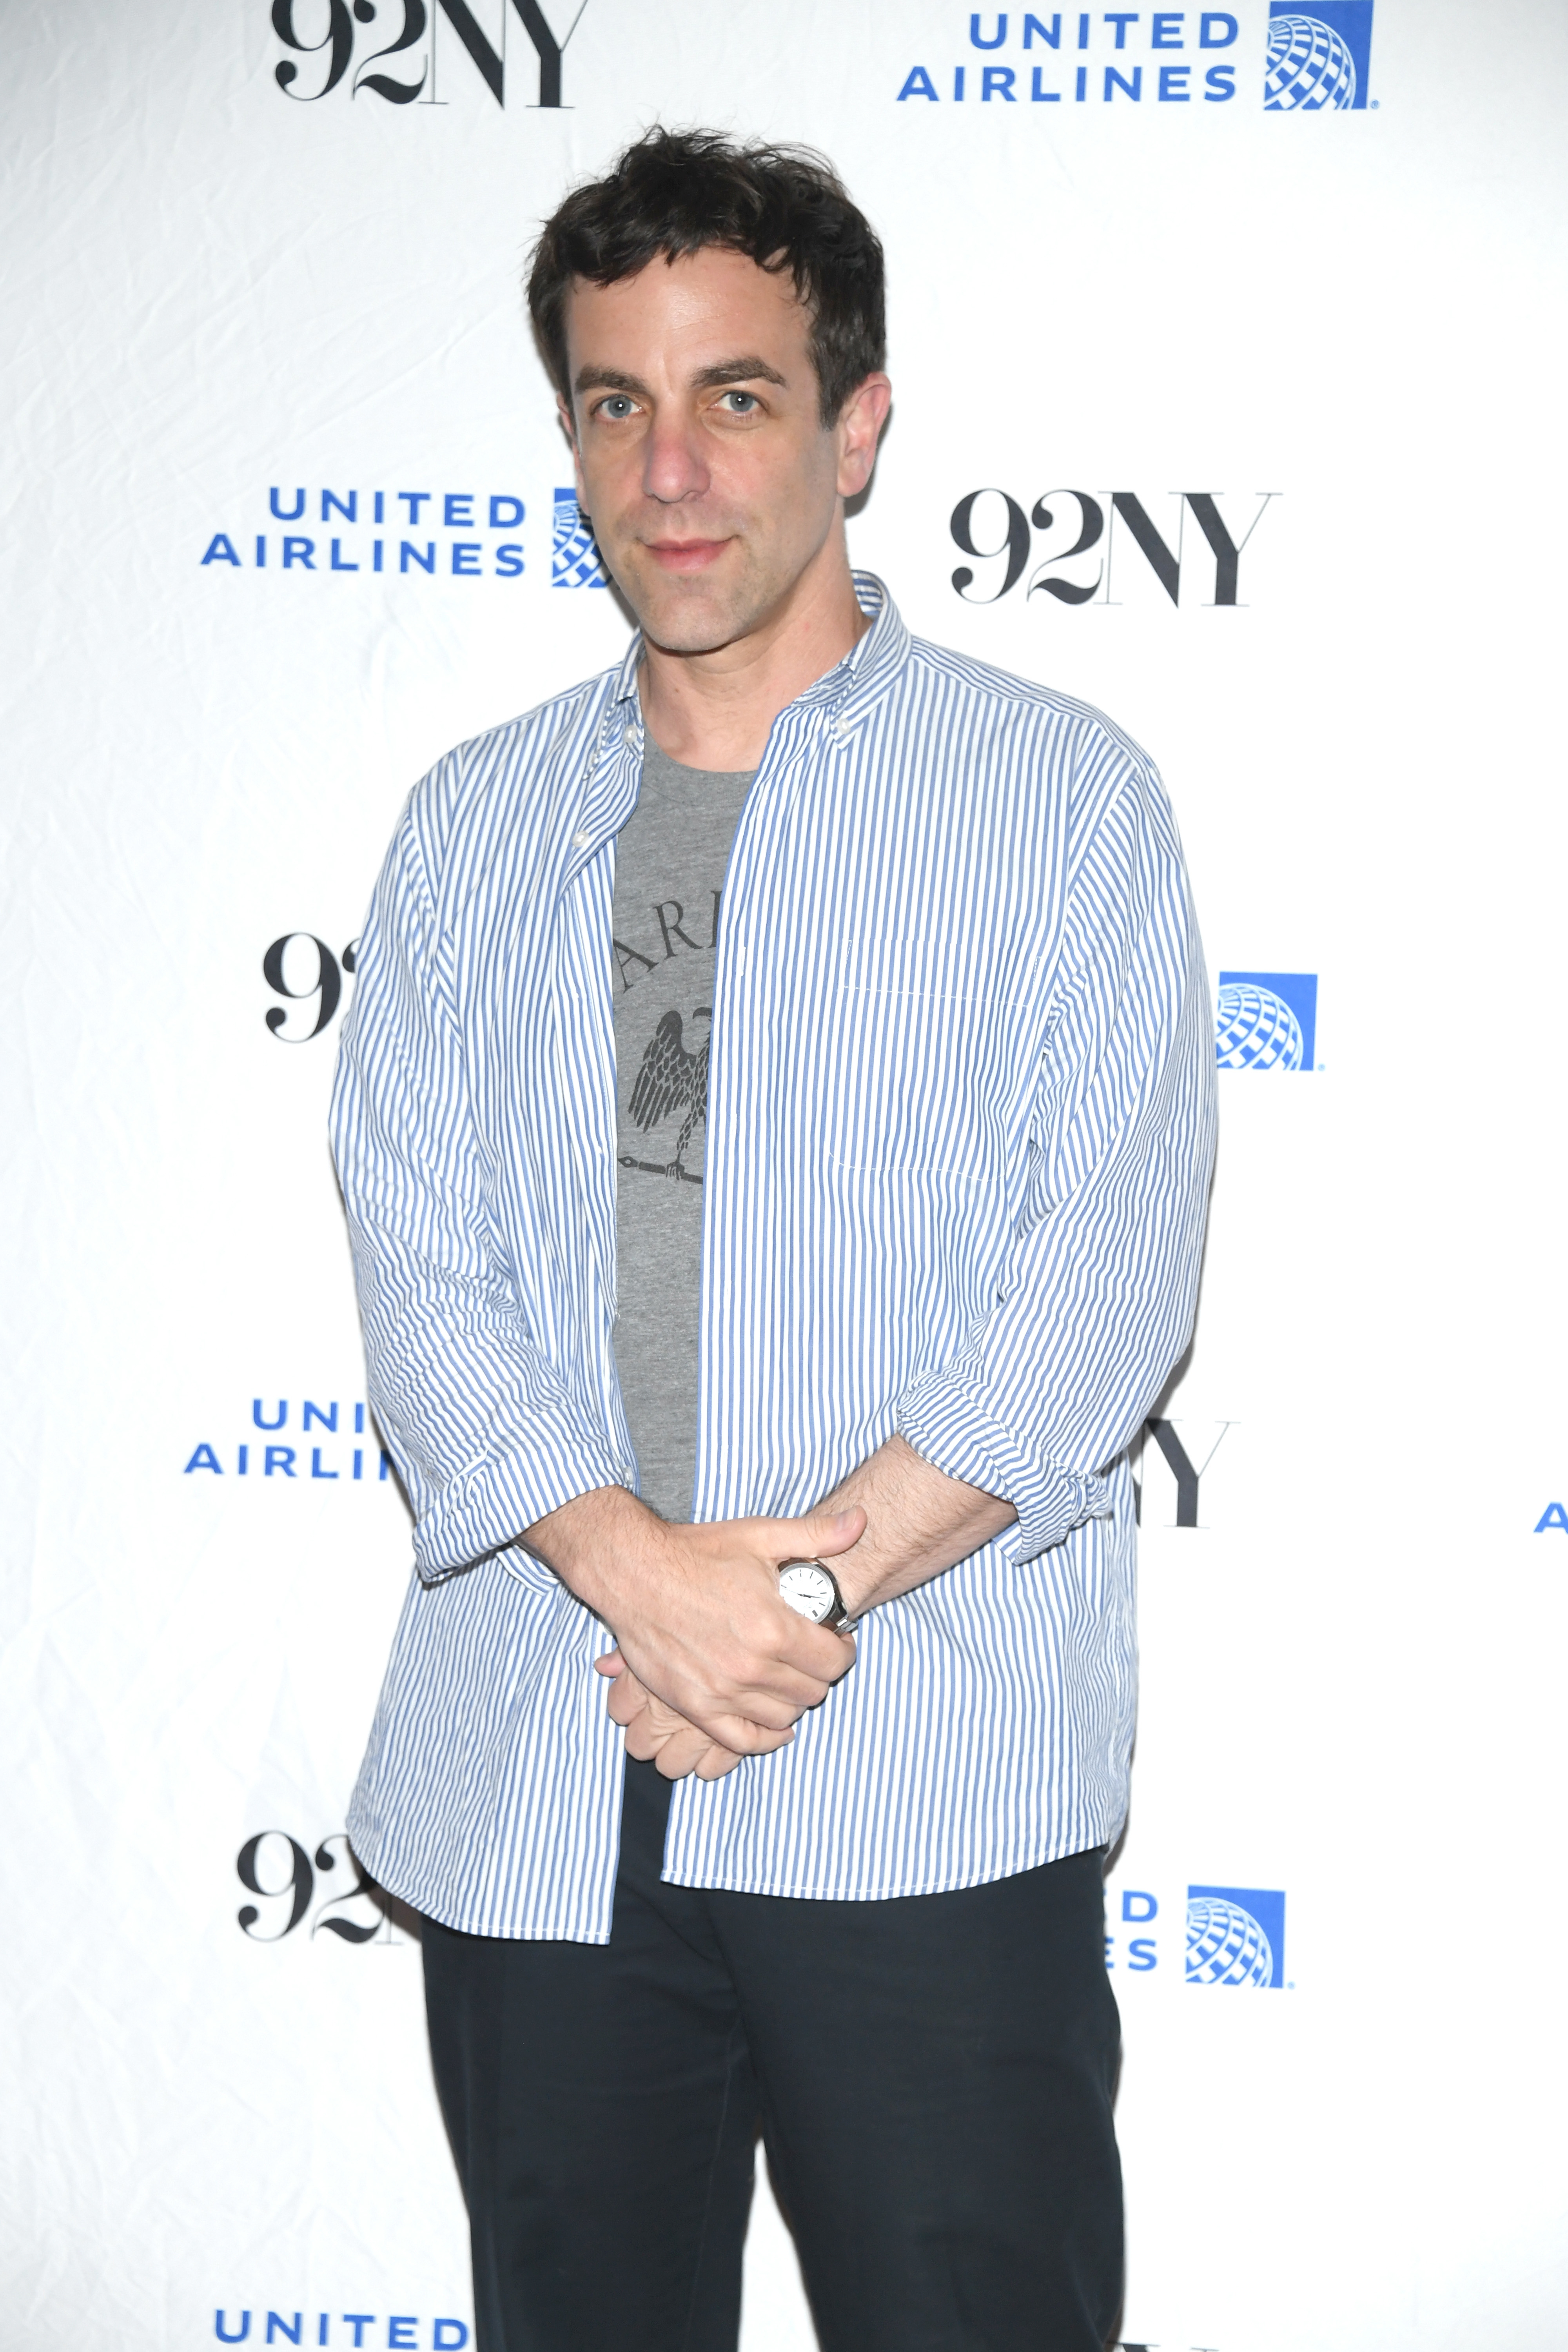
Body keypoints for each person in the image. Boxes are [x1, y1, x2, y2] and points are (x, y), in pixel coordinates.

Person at [332, 126, 1216, 2352]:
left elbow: (1101, 1274)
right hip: (549, 1755)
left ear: (856, 422)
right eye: (614, 402)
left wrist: (793, 1602)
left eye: (736, 393)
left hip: (914, 1767)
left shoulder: (1062, 799)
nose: (672, 466)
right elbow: (420, 1271)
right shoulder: (469, 827)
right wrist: (644, 1581)